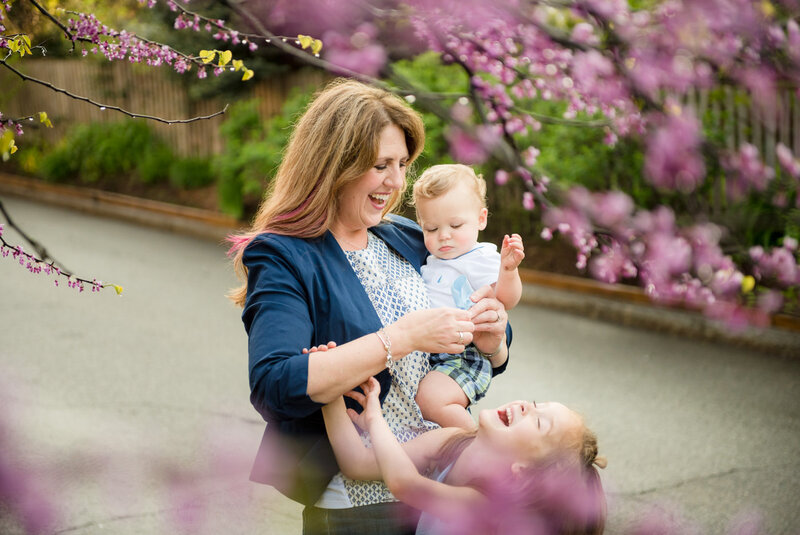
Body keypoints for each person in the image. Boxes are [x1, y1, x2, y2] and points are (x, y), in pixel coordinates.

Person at [227, 78, 512, 534]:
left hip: (443, 486)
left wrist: (495, 337)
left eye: (402, 164)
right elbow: (274, 383)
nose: (396, 182)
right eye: (380, 165)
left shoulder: (401, 233)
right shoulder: (283, 254)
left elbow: (470, 298)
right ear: (335, 164)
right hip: (362, 507)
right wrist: (400, 339)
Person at [321, 376, 607, 535]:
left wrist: (375, 420)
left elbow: (404, 484)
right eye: (536, 404)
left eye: (539, 422)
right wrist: (328, 391)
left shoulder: (484, 505)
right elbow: (358, 463)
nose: (526, 407)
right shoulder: (454, 441)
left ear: (524, 470)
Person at [412, 164, 526, 428]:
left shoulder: (481, 256)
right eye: (431, 228)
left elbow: (505, 300)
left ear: (481, 219)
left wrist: (508, 271)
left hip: (464, 354)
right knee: (427, 407)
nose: (444, 236)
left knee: (430, 399)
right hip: (431, 353)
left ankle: (479, 445)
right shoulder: (433, 260)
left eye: (455, 225)